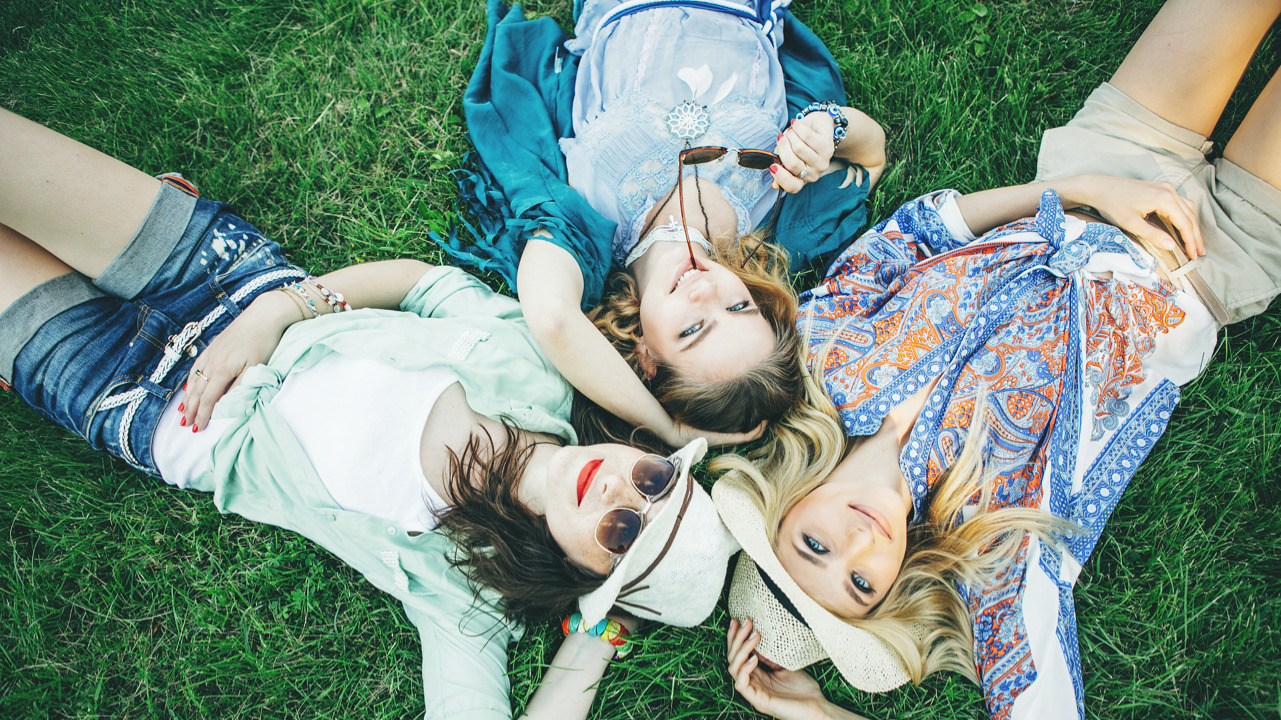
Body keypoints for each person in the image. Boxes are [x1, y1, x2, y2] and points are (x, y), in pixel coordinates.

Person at [0, 108, 742, 720]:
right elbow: (422, 284)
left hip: (142, 402)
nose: (619, 492)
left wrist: (595, 638)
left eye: (621, 533)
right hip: (229, 279)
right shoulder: (538, 372)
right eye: (652, 481)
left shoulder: (466, 594)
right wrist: (276, 311)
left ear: (584, 574)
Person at [710, 0, 1281, 718]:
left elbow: (905, 239)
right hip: (1209, 262)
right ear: (892, 590)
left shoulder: (820, 360)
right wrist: (818, 714)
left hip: (1101, 165)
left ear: (782, 505)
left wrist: (1075, 191)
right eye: (860, 584)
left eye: (813, 544)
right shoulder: (994, 552)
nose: (856, 541)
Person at [438, 0, 888, 448]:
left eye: (691, 330)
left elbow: (554, 318)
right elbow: (871, 157)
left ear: (645, 356)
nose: (705, 293)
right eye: (738, 308)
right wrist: (829, 128)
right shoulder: (780, 219)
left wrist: (667, 429)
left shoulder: (586, 238)